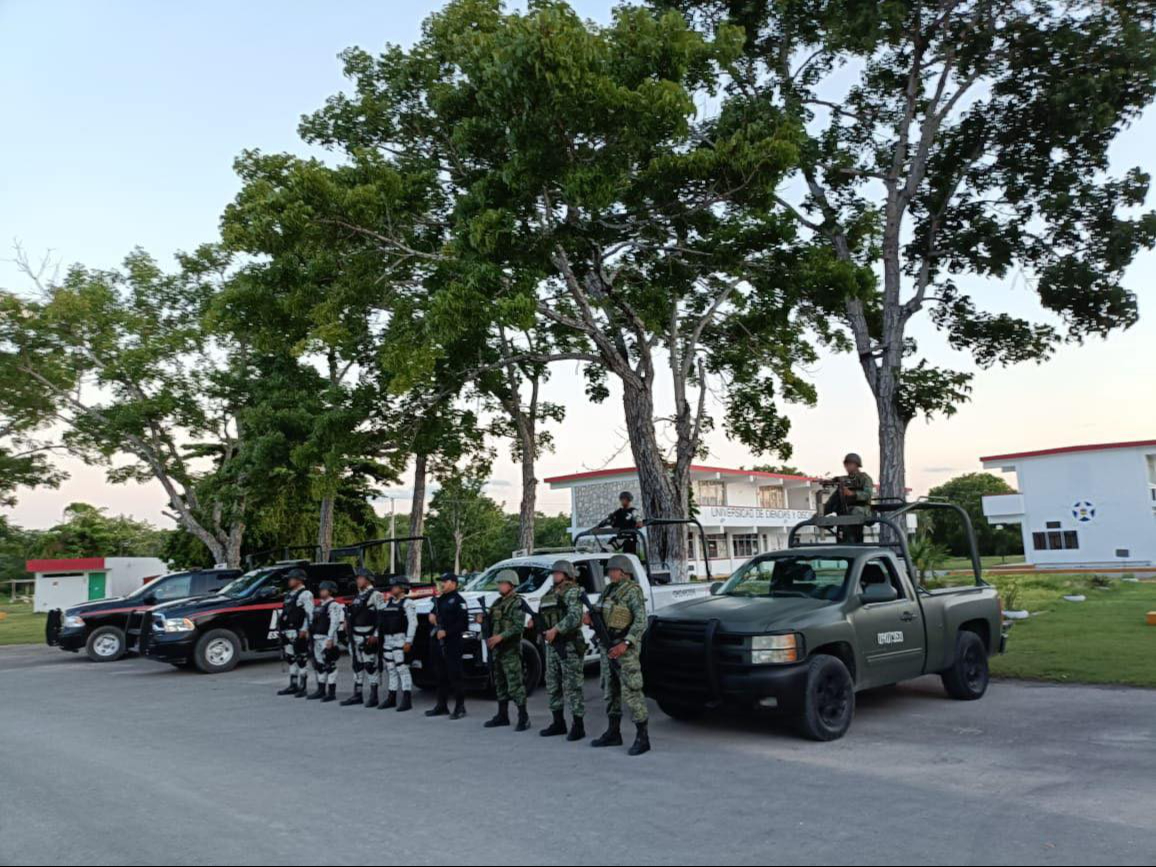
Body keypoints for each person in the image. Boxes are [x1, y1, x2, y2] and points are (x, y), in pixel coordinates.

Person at [587, 554, 650, 756]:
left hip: (625, 651)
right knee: (610, 692)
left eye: (612, 571)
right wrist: (590, 615)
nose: (609, 574)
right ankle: (613, 733)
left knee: (632, 692)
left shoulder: (633, 592)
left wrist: (626, 643)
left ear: (624, 572)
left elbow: (641, 621)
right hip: (608, 649)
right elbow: (599, 608)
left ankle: (643, 737)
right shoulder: (608, 590)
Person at [537, 559, 587, 742]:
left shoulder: (573, 591)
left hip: (569, 644)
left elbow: (575, 617)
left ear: (566, 574)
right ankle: (558, 722)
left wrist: (556, 629)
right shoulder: (551, 593)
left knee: (573, 686)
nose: (554, 576)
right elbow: (545, 612)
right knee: (552, 684)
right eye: (554, 573)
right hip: (553, 645)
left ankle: (578, 725)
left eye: (557, 573)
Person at [480, 569, 530, 731]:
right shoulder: (497, 603)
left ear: (511, 585)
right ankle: (503, 715)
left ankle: (523, 717)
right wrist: (481, 619)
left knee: (515, 684)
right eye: (499, 584)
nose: (499, 587)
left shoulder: (517, 603)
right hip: (497, 650)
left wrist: (500, 637)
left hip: (510, 650)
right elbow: (491, 620)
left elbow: (517, 627)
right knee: (500, 683)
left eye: (502, 584)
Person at [425, 572, 469, 720]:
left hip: (452, 643)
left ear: (453, 583)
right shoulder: (439, 600)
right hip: (438, 642)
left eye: (445, 581)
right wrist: (431, 617)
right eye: (441, 581)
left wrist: (447, 632)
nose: (442, 584)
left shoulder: (459, 600)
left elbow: (464, 624)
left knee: (455, 675)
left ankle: (460, 707)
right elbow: (434, 615)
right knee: (440, 675)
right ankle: (441, 705)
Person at [341, 568, 385, 708]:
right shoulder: (358, 596)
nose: (357, 580)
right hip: (355, 636)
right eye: (357, 578)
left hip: (368, 636)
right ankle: (357, 694)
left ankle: (374, 696)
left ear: (368, 579)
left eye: (360, 578)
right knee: (357, 666)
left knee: (370, 666)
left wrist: (376, 635)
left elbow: (381, 617)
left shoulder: (376, 595)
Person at [379, 575, 417, 712]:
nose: (392, 589)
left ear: (402, 588)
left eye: (394, 586)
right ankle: (392, 697)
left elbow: (413, 623)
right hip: (388, 639)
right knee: (390, 669)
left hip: (400, 639)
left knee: (402, 668)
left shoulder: (408, 603)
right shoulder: (388, 603)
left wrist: (409, 641)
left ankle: (406, 698)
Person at [276, 568, 314, 698]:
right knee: (291, 658)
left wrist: (305, 629)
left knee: (301, 659)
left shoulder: (305, 594)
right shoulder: (289, 594)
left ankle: (302, 686)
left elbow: (309, 613)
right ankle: (293, 684)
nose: (289, 581)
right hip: (288, 631)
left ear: (299, 580)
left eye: (291, 579)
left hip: (299, 631)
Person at [822, 452, 875, 544]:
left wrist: (852, 494)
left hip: (861, 510)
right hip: (846, 512)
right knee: (837, 499)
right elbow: (838, 482)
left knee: (853, 513)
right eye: (846, 464)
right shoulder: (844, 479)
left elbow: (867, 494)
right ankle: (821, 516)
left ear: (856, 465)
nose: (847, 466)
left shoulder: (865, 478)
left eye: (850, 464)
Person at [307, 580, 344, 703]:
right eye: (320, 589)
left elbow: (334, 623)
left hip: (326, 639)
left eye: (324, 589)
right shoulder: (319, 605)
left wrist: (330, 638)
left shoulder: (334, 605)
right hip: (317, 638)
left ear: (331, 591)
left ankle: (331, 692)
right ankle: (321, 689)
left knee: (330, 665)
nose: (321, 591)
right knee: (319, 665)